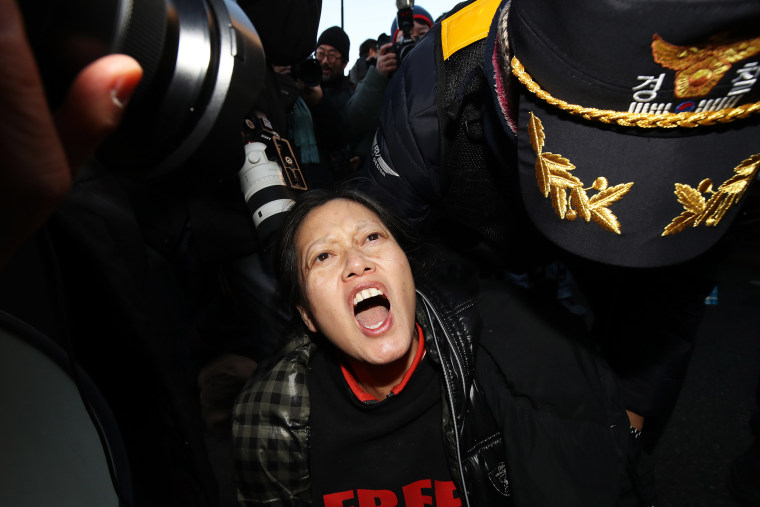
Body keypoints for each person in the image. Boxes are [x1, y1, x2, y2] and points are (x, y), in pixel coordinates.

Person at [360, 0, 760, 453]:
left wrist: (631, 422)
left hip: (610, 292)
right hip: (470, 249)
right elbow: (381, 246)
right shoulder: (434, 86)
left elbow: (679, 284)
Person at [232, 186, 654, 506]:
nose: (356, 262)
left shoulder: (500, 356)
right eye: (322, 256)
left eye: (372, 238)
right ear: (307, 315)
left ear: (408, 273)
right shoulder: (269, 418)